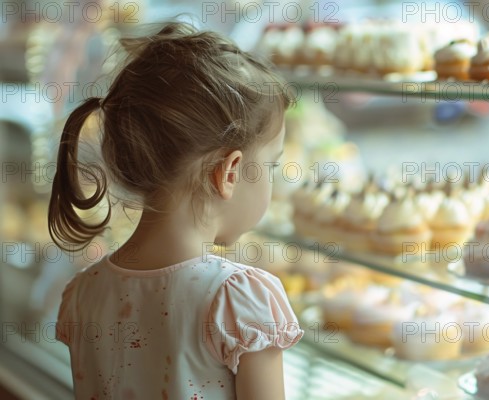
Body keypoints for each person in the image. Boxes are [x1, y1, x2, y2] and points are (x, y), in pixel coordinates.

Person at [49, 21, 303, 400]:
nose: (272, 179)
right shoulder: (239, 299)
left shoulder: (82, 293)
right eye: (270, 165)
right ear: (229, 172)